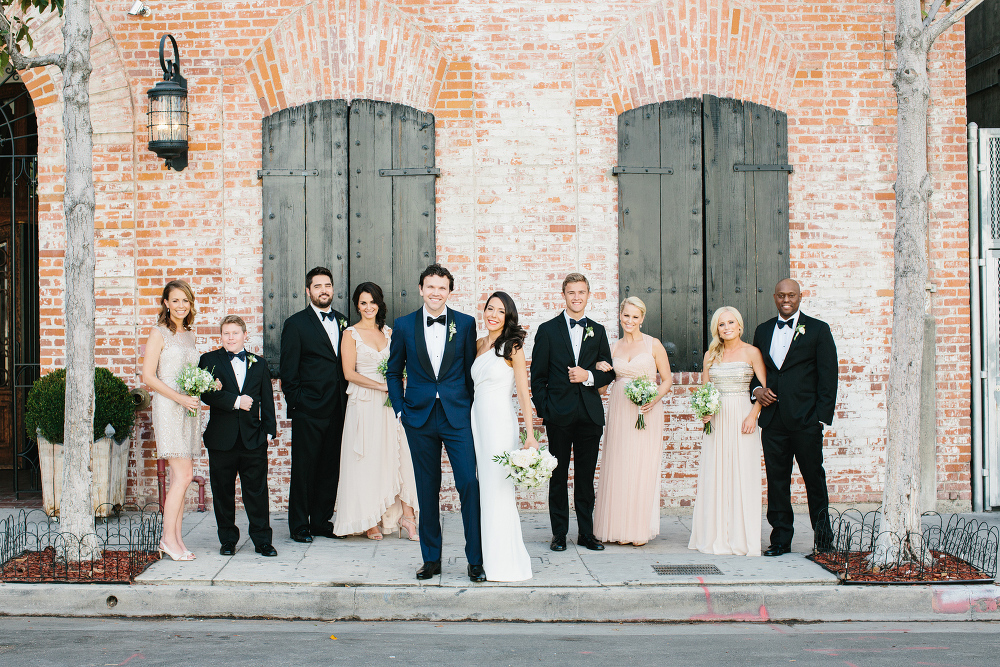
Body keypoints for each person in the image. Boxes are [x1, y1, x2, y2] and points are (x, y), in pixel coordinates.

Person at [386, 263, 484, 582]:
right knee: (427, 490)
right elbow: (393, 370)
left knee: (468, 483)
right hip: (420, 417)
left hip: (457, 417)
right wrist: (400, 408)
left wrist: (470, 408)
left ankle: (475, 560)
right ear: (421, 289)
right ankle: (431, 559)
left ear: (449, 291)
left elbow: (471, 371)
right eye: (430, 286)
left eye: (442, 287)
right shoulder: (403, 325)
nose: (436, 292)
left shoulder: (466, 324)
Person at [751, 279, 838, 556]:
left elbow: (829, 375)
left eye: (791, 295)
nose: (785, 300)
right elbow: (755, 370)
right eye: (781, 295)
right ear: (774, 297)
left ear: (800, 297)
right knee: (777, 482)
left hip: (805, 421)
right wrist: (757, 391)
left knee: (814, 479)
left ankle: (824, 541)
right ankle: (780, 540)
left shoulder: (818, 329)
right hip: (773, 420)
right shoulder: (763, 330)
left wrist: (819, 418)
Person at [530, 273, 615, 552]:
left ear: (588, 295)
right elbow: (537, 376)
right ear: (563, 295)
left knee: (585, 479)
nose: (576, 297)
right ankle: (559, 534)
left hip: (589, 415)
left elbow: (608, 373)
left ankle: (586, 534)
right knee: (557, 476)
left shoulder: (598, 331)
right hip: (559, 416)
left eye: (581, 292)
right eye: (571, 292)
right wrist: (546, 410)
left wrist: (588, 376)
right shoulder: (547, 330)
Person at [333, 282, 419, 541]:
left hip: (391, 404)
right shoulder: (351, 334)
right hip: (365, 402)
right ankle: (368, 519)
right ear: (357, 306)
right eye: (363, 303)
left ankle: (405, 517)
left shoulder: (390, 332)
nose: (368, 307)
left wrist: (398, 383)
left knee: (397, 455)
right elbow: (349, 373)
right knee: (367, 459)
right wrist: (382, 386)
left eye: (372, 302)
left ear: (379, 303)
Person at [688, 306, 768, 557]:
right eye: (722, 324)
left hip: (743, 414)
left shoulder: (752, 352)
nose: (727, 328)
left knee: (742, 473)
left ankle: (742, 537)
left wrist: (753, 416)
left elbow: (765, 389)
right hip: (718, 418)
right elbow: (705, 390)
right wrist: (705, 412)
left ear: (740, 325)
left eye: (731, 322)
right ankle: (715, 535)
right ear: (717, 329)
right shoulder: (711, 354)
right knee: (716, 473)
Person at [593, 297, 672, 546]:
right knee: (619, 464)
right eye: (626, 316)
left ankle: (637, 529)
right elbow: (602, 390)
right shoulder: (613, 347)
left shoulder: (653, 345)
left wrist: (653, 399)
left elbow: (668, 380)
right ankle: (617, 527)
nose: (630, 321)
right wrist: (598, 368)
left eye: (635, 317)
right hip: (619, 410)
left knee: (641, 465)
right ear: (620, 315)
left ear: (642, 318)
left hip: (645, 411)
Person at [279, 267, 350, 544]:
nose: (324, 290)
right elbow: (289, 371)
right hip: (309, 409)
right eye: (318, 286)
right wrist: (298, 403)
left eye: (328, 285)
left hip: (339, 408)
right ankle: (299, 525)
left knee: (330, 467)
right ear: (308, 291)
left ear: (333, 290)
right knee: (304, 469)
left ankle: (321, 521)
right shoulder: (295, 324)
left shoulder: (343, 321)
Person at [198, 315, 278, 558]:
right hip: (222, 439)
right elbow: (205, 394)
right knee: (222, 492)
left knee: (257, 492)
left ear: (245, 336)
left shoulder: (259, 363)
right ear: (220, 336)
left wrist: (269, 431)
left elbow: (267, 398)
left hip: (253, 438)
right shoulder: (209, 360)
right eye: (225, 333)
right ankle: (228, 540)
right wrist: (235, 401)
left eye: (235, 333)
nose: (230, 337)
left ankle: (262, 540)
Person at [472, 291, 535, 581]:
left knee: (499, 490)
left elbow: (523, 393)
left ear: (508, 316)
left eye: (499, 310)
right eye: (489, 308)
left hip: (499, 423)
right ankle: (487, 557)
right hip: (478, 422)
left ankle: (504, 561)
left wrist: (530, 435)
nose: (493, 314)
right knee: (485, 489)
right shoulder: (478, 344)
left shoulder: (513, 346)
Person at [142, 279, 206, 561]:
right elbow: (148, 377)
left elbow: (190, 373)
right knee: (184, 476)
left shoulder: (190, 335)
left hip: (188, 408)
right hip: (169, 406)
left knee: (180, 478)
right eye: (176, 300)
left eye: (186, 300)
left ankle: (177, 538)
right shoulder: (158, 333)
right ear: (166, 303)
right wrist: (179, 398)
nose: (181, 305)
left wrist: (204, 385)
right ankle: (167, 539)